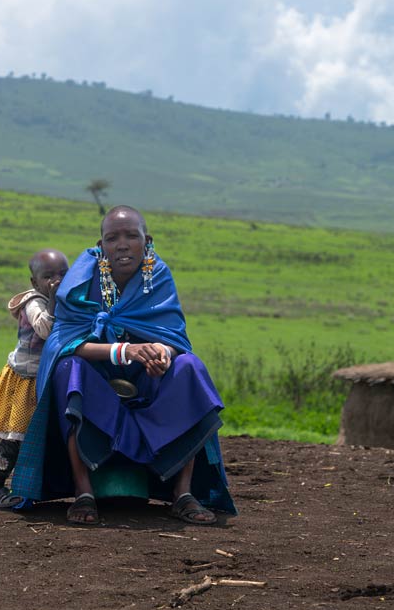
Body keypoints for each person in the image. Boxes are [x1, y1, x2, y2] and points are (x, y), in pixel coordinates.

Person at [12, 206, 235, 525]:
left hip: (145, 380)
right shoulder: (80, 279)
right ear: (100, 245)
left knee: (190, 367)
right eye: (112, 237)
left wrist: (162, 353)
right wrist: (123, 351)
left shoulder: (158, 276)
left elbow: (172, 336)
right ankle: (83, 491)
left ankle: (183, 494)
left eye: (132, 235)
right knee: (68, 369)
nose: (122, 244)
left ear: (147, 241)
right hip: (96, 382)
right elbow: (64, 343)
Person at [0, 249, 69, 508]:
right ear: (34, 282)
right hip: (24, 382)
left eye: (63, 274)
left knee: (36, 438)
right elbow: (45, 329)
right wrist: (53, 300)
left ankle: (30, 486)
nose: (57, 280)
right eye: (49, 276)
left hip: (41, 379)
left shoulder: (63, 299)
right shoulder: (34, 303)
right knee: (12, 439)